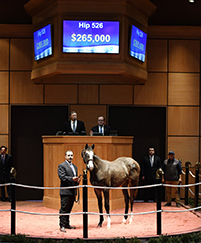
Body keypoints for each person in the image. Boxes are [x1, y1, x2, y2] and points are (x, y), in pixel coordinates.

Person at [58, 150, 81, 233]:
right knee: (64, 209)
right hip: (65, 191)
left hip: (72, 191)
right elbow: (62, 178)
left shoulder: (75, 167)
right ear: (65, 156)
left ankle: (67, 224)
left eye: (71, 155)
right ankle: (62, 225)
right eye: (68, 155)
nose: (70, 157)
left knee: (69, 209)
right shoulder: (61, 166)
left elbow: (73, 178)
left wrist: (77, 181)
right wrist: (72, 179)